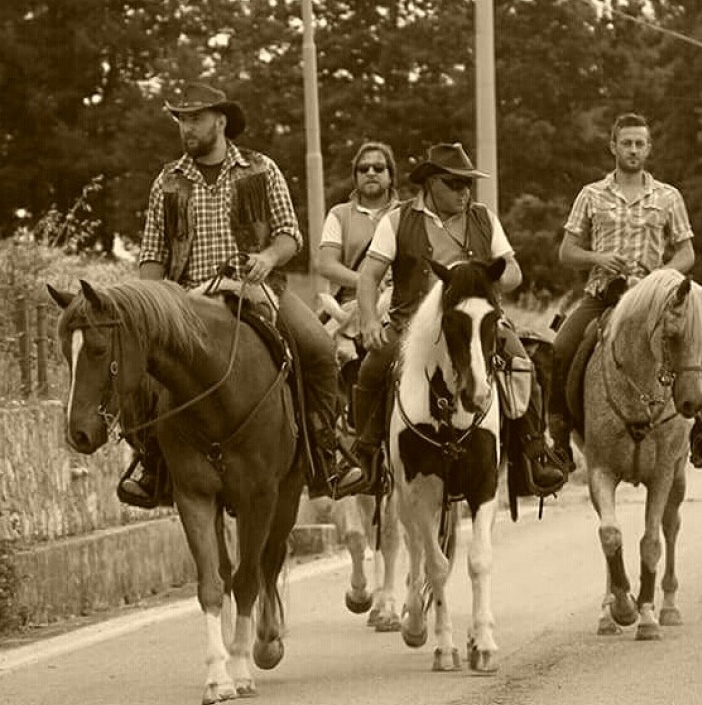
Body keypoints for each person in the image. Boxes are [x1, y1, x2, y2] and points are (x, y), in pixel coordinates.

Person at [120, 81, 363, 507]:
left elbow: (290, 235)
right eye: (181, 120)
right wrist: (151, 301)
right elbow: (153, 255)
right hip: (187, 301)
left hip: (256, 291)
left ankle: (326, 454)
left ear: (221, 121)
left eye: (195, 119)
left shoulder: (260, 168)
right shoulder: (168, 181)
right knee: (139, 369)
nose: (186, 128)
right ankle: (151, 464)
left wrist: (268, 258)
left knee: (320, 350)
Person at [353, 142, 565, 494]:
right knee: (373, 367)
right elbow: (368, 276)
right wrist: (369, 321)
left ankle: (534, 452)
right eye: (454, 184)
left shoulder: (485, 218)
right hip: (411, 325)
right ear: (431, 183)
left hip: (476, 320)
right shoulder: (398, 220)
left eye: (468, 184)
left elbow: (513, 271)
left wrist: (488, 280)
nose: (464, 191)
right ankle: (366, 455)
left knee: (521, 362)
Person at [549, 112, 702, 471]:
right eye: (626, 143)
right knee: (560, 348)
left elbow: (687, 253)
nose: (632, 149)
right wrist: (598, 257)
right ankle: (559, 439)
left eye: (639, 143)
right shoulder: (591, 195)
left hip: (655, 300)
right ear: (613, 146)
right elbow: (566, 252)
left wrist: (660, 277)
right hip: (603, 295)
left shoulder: (668, 196)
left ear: (649, 148)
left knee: (701, 344)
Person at [316, 141, 400, 305]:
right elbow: (326, 264)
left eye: (378, 167)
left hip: (401, 308)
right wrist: (366, 281)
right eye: (363, 169)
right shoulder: (339, 214)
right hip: (351, 306)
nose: (370, 172)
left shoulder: (407, 214)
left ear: (391, 176)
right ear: (355, 177)